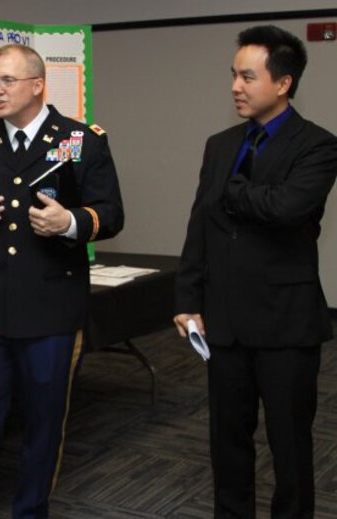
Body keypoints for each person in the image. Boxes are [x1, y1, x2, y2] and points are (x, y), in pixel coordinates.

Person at [0, 44, 123, 518]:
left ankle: (30, 510)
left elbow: (112, 213)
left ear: (38, 85)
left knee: (43, 424)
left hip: (50, 308)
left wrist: (71, 222)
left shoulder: (82, 140)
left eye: (7, 81)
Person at [174, 26, 337, 519]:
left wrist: (232, 193)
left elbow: (288, 208)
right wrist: (187, 299)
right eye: (233, 75)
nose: (236, 87)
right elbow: (199, 225)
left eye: (248, 76)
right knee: (227, 442)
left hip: (285, 324)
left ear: (283, 83)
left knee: (289, 447)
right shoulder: (220, 145)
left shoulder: (318, 146)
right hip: (224, 323)